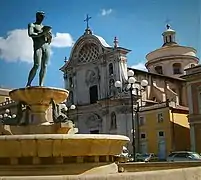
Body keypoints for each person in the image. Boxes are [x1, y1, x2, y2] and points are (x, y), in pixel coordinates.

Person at [26, 11, 52, 87]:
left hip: (46, 46)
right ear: (37, 16)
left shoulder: (45, 27)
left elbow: (49, 40)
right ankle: (29, 83)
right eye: (41, 16)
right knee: (36, 65)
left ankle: (41, 84)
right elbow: (30, 34)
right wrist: (41, 33)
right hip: (38, 46)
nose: (42, 18)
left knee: (45, 66)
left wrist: (49, 35)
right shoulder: (32, 25)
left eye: (43, 16)